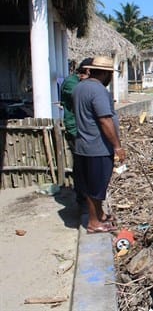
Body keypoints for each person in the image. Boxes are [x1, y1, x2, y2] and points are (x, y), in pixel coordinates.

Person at [72, 56, 126, 233]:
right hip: (97, 147)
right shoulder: (99, 91)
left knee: (91, 185)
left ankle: (100, 214)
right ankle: (94, 223)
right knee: (97, 186)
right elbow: (104, 120)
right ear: (105, 74)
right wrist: (117, 146)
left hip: (82, 145)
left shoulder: (79, 88)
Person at [60, 57, 93, 206]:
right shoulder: (71, 83)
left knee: (87, 164)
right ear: (87, 70)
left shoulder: (82, 83)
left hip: (85, 130)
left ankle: (86, 194)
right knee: (80, 165)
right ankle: (82, 196)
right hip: (76, 130)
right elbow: (84, 98)